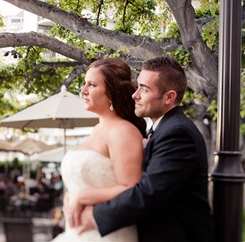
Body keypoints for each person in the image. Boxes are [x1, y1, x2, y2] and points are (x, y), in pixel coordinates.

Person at [75, 56, 214, 241]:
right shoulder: (163, 129)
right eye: (138, 86)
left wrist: (94, 215)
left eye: (144, 89)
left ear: (169, 97)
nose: (135, 94)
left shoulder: (178, 132)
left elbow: (150, 192)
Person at [51, 57, 147, 241]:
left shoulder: (123, 131)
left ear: (111, 94)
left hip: (107, 234)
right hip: (79, 233)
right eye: (84, 83)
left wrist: (82, 196)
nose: (83, 91)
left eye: (92, 85)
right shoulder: (97, 130)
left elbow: (131, 189)